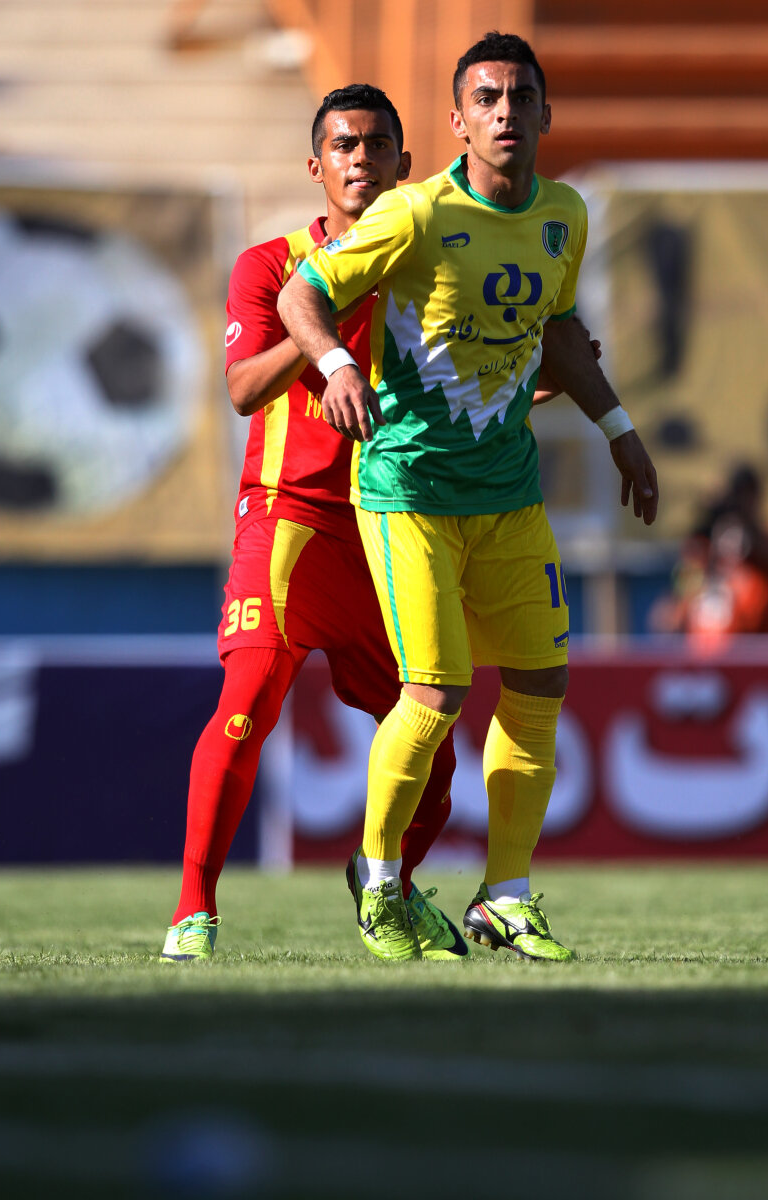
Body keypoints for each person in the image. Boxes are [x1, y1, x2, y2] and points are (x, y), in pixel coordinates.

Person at [278, 32, 659, 963]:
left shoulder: (564, 214)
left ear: (545, 114)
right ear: (457, 120)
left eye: (520, 97)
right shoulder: (413, 213)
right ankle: (378, 883)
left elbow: (557, 329)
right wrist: (335, 366)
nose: (504, 112)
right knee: (437, 692)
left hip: (509, 492)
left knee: (540, 686)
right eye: (486, 98)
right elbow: (300, 295)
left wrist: (620, 429)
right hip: (408, 490)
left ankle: (506, 897)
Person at [161, 85, 468, 963]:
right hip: (288, 516)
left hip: (390, 523)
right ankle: (193, 911)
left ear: (405, 163)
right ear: (316, 166)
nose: (360, 158)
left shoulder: (426, 270)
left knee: (436, 745)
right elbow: (242, 390)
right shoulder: (272, 265)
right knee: (248, 701)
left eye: (376, 145)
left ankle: (387, 888)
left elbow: (467, 389)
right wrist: (318, 326)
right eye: (343, 145)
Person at [649, 463, 768, 646]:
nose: (739, 504)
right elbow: (667, 619)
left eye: (745, 496)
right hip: (708, 659)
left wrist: (748, 531)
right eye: (735, 497)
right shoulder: (704, 552)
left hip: (758, 657)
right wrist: (709, 538)